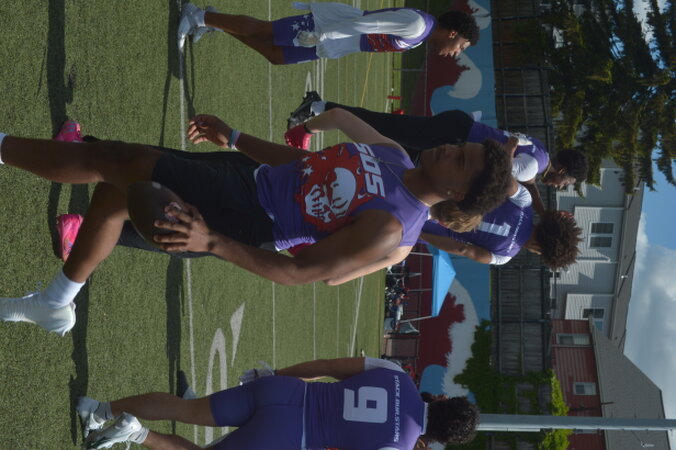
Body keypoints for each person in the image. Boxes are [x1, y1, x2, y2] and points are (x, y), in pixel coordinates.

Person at [0, 108, 511, 336]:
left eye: (460, 161)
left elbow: (299, 272)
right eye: (460, 146)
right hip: (247, 178)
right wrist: (236, 138)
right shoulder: (394, 154)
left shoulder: (393, 229)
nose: (449, 149)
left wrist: (212, 241)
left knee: (119, 160)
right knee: (115, 190)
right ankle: (55, 303)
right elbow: (304, 166)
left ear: (458, 193)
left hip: (248, 218)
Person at [76, 357, 479, 449]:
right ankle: (137, 433)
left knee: (187, 410)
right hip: (289, 436)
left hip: (287, 392)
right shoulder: (400, 445)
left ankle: (99, 409)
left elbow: (326, 366)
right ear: (439, 439)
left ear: (444, 399)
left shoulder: (396, 373)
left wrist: (275, 375)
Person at [285, 95, 589, 215]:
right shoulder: (532, 167)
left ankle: (320, 118)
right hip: (453, 141)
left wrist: (543, 212)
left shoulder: (540, 154)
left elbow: (524, 173)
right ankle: (318, 109)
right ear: (563, 171)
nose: (560, 187)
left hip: (458, 131)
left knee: (389, 147)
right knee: (384, 130)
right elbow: (505, 168)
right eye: (566, 183)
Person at [177, 2, 479, 63]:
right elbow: (365, 25)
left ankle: (211, 20)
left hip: (331, 41)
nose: (456, 53)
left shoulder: (420, 37)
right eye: (461, 46)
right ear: (453, 32)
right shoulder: (417, 25)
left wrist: (327, 43)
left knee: (276, 56)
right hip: (326, 30)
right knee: (263, 31)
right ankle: (198, 16)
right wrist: (323, 35)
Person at [421, 186, 583, 269]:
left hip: (443, 190)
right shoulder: (503, 256)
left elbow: (500, 175)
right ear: (538, 248)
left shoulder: (524, 201)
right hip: (432, 225)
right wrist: (420, 235)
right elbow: (462, 249)